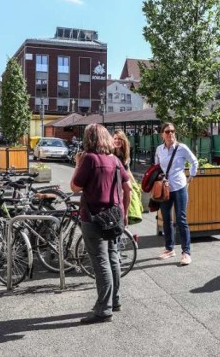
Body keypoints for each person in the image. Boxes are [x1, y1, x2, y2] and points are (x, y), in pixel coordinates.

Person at [70, 123, 132, 324]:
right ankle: (115, 301)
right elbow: (128, 186)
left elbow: (74, 187)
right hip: (114, 217)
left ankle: (103, 310)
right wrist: (125, 213)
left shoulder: (89, 159)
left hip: (94, 218)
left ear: (89, 139)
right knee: (113, 258)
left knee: (101, 262)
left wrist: (78, 164)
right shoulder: (114, 160)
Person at [155, 122, 198, 266]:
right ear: (162, 134)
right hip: (165, 189)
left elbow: (194, 161)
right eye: (167, 131)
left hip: (179, 187)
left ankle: (186, 253)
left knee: (181, 219)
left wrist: (191, 176)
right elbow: (157, 168)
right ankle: (169, 249)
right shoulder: (159, 150)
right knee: (166, 219)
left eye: (172, 131)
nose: (170, 134)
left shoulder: (182, 148)